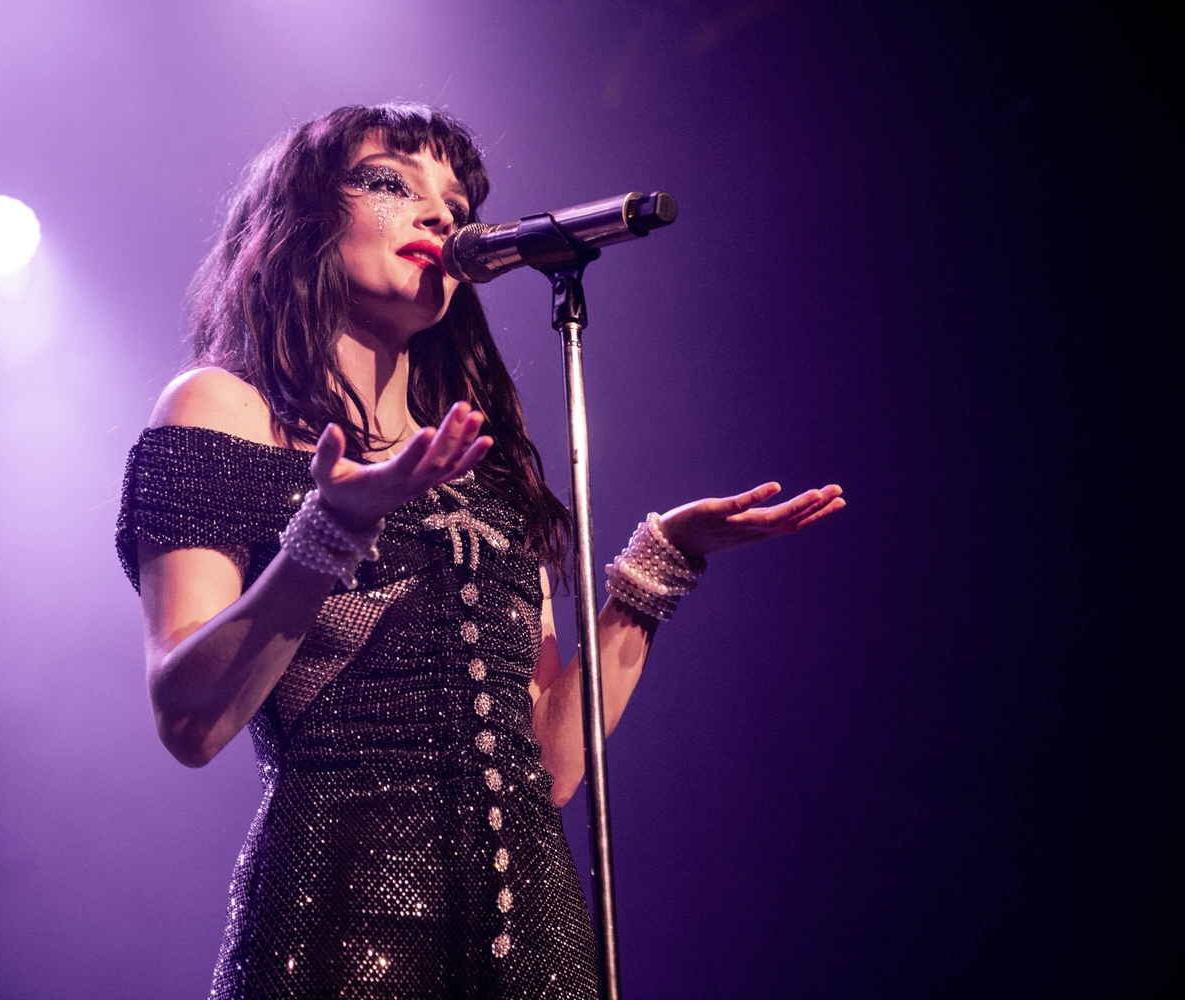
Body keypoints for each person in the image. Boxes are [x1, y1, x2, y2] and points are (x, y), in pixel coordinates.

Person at [116, 103, 844, 1000]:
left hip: (532, 938)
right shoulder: (223, 408)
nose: (437, 216)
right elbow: (187, 718)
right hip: (342, 926)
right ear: (300, 220)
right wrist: (330, 532)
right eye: (389, 182)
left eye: (455, 205)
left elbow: (551, 763)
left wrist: (661, 564)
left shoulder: (480, 459)